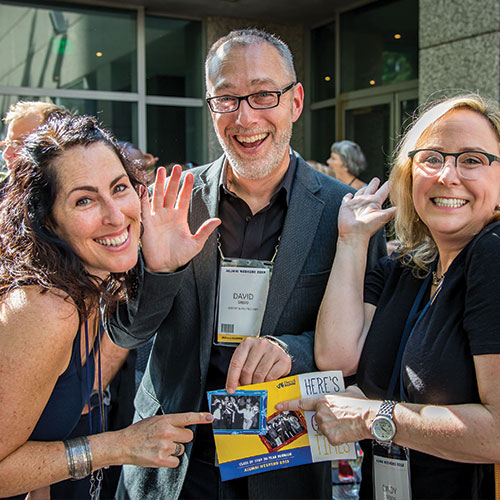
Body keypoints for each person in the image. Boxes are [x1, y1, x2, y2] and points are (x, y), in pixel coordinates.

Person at [107, 28, 385, 500]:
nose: (245, 117)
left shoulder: (347, 213)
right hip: (173, 457)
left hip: (282, 460)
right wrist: (159, 271)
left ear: (295, 102)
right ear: (211, 106)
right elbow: (124, 334)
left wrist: (291, 350)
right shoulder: (171, 200)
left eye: (262, 95)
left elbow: (364, 350)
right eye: (227, 99)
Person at [278, 93, 500, 499]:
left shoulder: (492, 253)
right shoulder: (410, 269)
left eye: (472, 159)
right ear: (409, 173)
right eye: (432, 158)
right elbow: (338, 355)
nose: (448, 175)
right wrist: (353, 240)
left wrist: (372, 417)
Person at [0, 113, 219, 499]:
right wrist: (119, 446)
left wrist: (161, 267)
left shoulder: (86, 288)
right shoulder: (47, 308)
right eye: (84, 200)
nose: (115, 216)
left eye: (119, 188)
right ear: (47, 221)